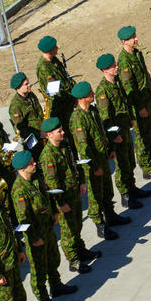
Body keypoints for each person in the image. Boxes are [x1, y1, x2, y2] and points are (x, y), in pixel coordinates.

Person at [10, 150, 77, 301]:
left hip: (47, 227)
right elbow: (23, 218)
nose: (34, 164)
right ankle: (43, 298)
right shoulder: (19, 190)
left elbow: (47, 195)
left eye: (33, 161)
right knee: (39, 269)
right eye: (31, 163)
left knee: (53, 258)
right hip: (36, 235)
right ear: (21, 169)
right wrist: (33, 238)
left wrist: (54, 211)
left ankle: (56, 285)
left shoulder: (36, 178)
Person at [70, 82, 130, 241]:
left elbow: (101, 132)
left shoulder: (93, 110)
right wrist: (94, 166)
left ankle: (110, 215)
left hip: (102, 156)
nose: (93, 93)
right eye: (90, 92)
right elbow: (83, 148)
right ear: (82, 98)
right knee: (95, 194)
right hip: (93, 163)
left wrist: (109, 148)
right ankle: (100, 225)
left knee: (106, 189)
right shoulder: (78, 119)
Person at [38, 117, 96, 274]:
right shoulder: (48, 156)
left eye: (62, 130)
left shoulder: (64, 145)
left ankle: (80, 249)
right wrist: (61, 203)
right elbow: (52, 184)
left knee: (77, 224)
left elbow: (75, 163)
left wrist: (82, 181)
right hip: (64, 199)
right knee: (68, 230)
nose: (63, 132)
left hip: (74, 192)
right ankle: (73, 259)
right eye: (59, 131)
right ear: (49, 135)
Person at [95, 54, 150, 210]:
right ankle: (125, 195)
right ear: (105, 70)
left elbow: (124, 103)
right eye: (113, 66)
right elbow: (106, 118)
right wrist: (114, 136)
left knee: (129, 161)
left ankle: (132, 187)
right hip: (117, 134)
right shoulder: (102, 91)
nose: (117, 67)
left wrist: (131, 118)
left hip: (125, 128)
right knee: (121, 165)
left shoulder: (117, 82)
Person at [116, 26, 151, 181]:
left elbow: (145, 74)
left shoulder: (137, 54)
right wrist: (140, 108)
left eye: (135, 36)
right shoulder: (124, 61)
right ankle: (146, 167)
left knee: (150, 131)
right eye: (132, 38)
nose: (136, 39)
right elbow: (129, 88)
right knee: (142, 136)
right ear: (124, 41)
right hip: (138, 106)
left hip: (147, 99)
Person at [35, 36, 75, 147]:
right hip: (59, 107)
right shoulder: (44, 68)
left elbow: (66, 78)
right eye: (55, 47)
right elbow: (56, 91)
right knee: (65, 137)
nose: (57, 48)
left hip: (67, 103)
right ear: (49, 50)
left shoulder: (54, 60)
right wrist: (72, 97)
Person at [8, 72, 44, 159]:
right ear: (18, 87)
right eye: (26, 84)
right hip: (32, 140)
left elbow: (39, 112)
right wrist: (39, 134)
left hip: (43, 133)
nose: (30, 85)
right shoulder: (15, 106)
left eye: (28, 82)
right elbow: (20, 130)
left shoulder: (31, 95)